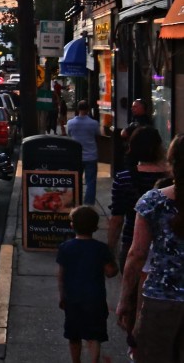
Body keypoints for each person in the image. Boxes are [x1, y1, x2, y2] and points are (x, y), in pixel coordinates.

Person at [116, 135, 184, 363]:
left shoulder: (153, 201)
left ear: (171, 161)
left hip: (160, 302)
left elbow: (136, 255)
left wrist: (125, 300)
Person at [57, 205, 118, 363]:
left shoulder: (65, 248)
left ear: (72, 225)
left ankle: (76, 361)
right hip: (95, 299)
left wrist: (62, 296)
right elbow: (110, 272)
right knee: (94, 336)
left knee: (74, 335)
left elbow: (61, 276)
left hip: (73, 298)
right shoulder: (100, 249)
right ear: (96, 227)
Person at [107, 127, 170, 274]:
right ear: (159, 148)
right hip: (167, 244)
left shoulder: (123, 178)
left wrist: (109, 252)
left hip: (132, 241)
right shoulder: (171, 177)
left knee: (131, 293)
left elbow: (117, 219)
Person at [67, 101, 102, 206]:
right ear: (88, 110)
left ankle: (76, 201)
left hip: (76, 155)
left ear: (78, 109)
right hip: (91, 155)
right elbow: (98, 135)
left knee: (76, 179)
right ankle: (88, 204)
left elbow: (69, 135)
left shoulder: (70, 123)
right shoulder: (94, 123)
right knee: (91, 181)